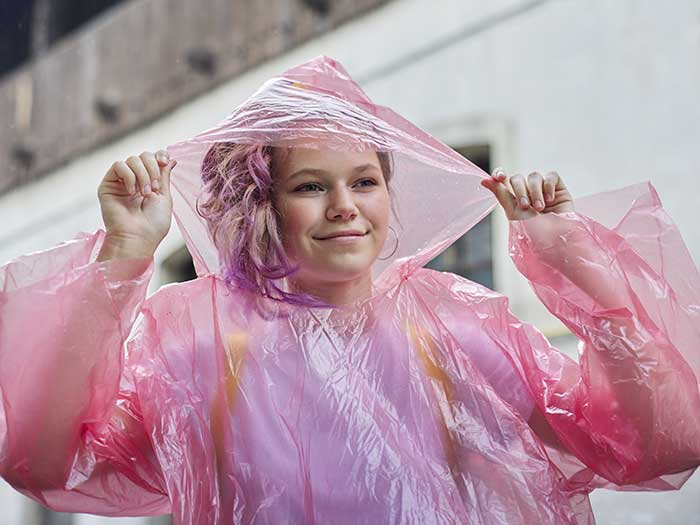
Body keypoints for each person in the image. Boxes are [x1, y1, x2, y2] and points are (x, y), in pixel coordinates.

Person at [1, 56, 699, 525]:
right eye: (311, 185)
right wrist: (125, 253)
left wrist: (576, 262)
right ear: (260, 203)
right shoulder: (197, 343)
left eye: (364, 181)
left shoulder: (451, 327)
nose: (345, 206)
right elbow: (50, 454)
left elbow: (656, 440)